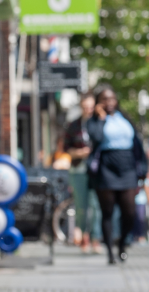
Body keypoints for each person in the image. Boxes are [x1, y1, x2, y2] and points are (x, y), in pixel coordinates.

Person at [85, 87, 148, 264]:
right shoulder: (94, 121)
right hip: (106, 167)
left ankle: (122, 244)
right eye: (105, 99)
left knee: (129, 211)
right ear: (99, 103)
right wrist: (101, 119)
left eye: (112, 99)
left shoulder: (124, 118)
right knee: (107, 212)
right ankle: (110, 253)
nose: (109, 102)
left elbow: (137, 144)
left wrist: (143, 168)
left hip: (127, 166)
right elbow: (96, 138)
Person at [57, 93, 102, 254]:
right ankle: (84, 237)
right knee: (81, 206)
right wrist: (79, 153)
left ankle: (96, 238)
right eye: (85, 107)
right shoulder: (74, 125)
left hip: (96, 171)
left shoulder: (99, 123)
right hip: (78, 170)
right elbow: (66, 148)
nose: (88, 110)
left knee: (96, 205)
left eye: (90, 107)